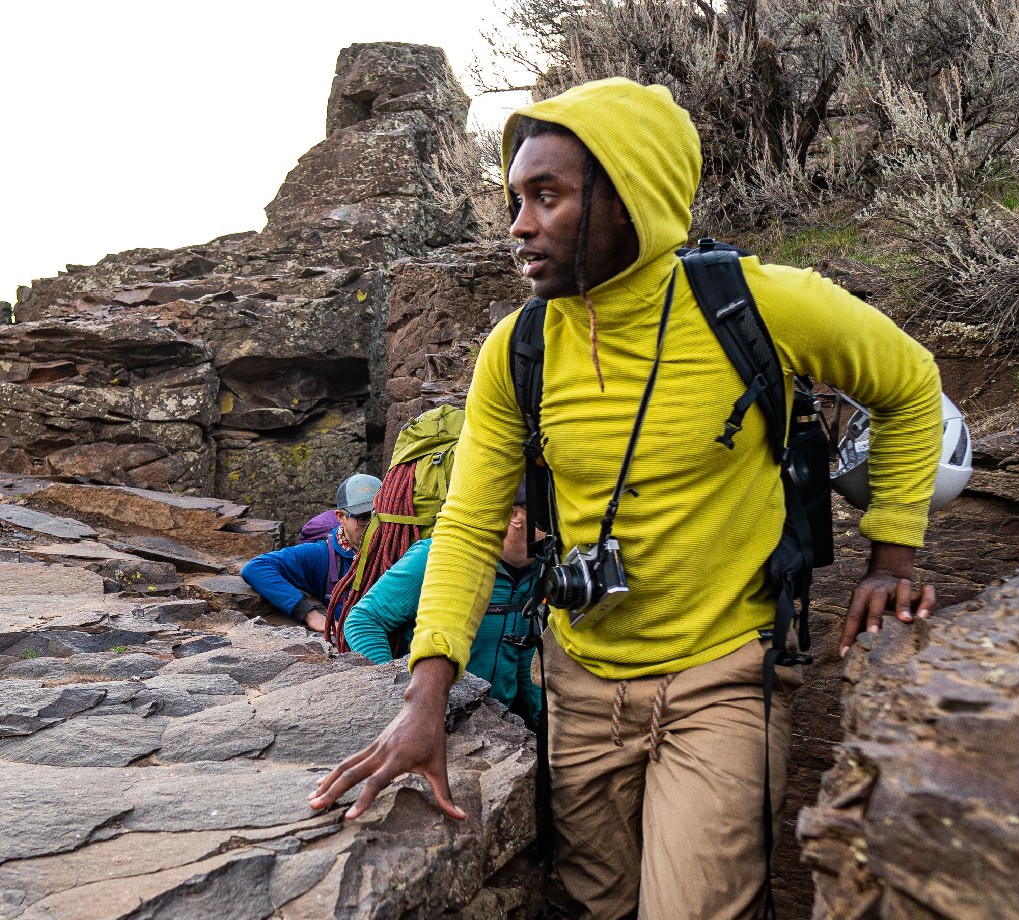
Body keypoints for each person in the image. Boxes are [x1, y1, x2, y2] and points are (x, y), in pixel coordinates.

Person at [310, 77, 942, 919]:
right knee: (594, 905)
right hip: (579, 680)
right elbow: (464, 526)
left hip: (725, 676)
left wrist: (890, 555)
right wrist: (425, 697)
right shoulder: (519, 348)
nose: (518, 225)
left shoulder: (758, 305)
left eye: (547, 196)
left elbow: (911, 383)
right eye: (514, 199)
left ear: (627, 198)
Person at [343, 482, 542, 726]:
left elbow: (524, 654)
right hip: (433, 720)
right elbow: (363, 621)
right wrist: (398, 701)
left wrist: (541, 722)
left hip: (498, 723)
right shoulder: (436, 557)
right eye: (548, 514)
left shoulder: (539, 570)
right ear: (514, 515)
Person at [242, 473, 382, 633]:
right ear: (341, 517)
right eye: (363, 517)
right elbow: (257, 568)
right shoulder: (321, 556)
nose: (373, 525)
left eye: (377, 516)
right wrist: (309, 614)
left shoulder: (401, 549)